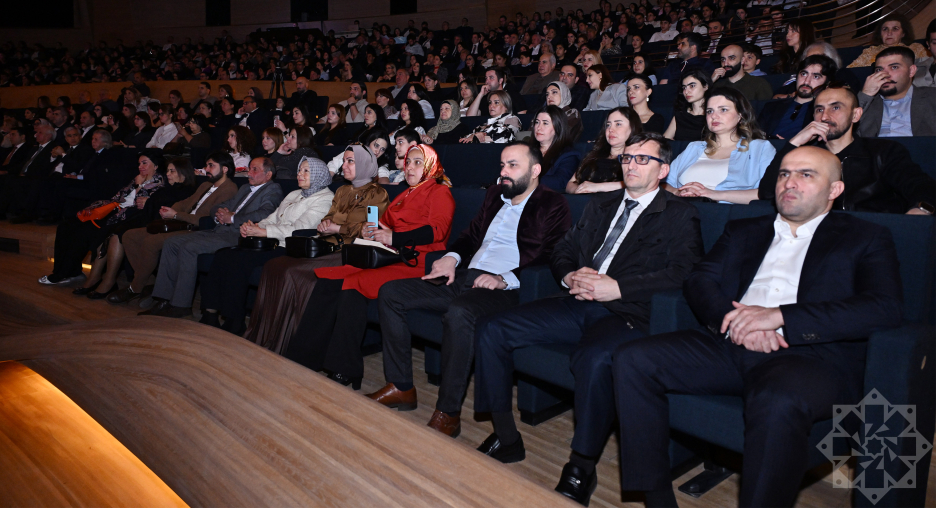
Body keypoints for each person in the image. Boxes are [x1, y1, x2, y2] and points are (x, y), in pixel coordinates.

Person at [613, 146, 902, 508]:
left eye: (806, 175)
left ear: (835, 190)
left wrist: (781, 317)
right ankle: (655, 497)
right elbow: (700, 280)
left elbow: (883, 308)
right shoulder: (744, 229)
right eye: (784, 174)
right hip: (730, 341)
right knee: (632, 358)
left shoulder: (866, 236)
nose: (789, 183)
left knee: (777, 400)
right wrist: (732, 320)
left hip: (806, 356)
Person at [473, 133, 703, 502]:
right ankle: (506, 436)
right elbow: (562, 249)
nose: (631, 165)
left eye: (643, 159)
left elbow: (684, 273)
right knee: (492, 327)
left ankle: (581, 465)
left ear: (663, 170)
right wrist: (569, 275)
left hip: (626, 312)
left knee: (594, 359)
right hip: (577, 300)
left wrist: (618, 288)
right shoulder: (601, 204)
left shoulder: (679, 213)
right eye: (627, 158)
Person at [366, 141, 572, 438]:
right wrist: (451, 258)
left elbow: (552, 256)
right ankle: (401, 387)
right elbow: (470, 235)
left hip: (507, 288)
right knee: (391, 293)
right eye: (502, 165)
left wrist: (504, 278)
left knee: (460, 312)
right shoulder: (495, 195)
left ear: (536, 170)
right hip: (466, 277)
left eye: (513, 165)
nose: (504, 172)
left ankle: (448, 413)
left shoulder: (553, 204)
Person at [285, 145, 455, 388]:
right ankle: (303, 357)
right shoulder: (405, 194)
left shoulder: (439, 192)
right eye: (408, 162)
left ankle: (344, 367)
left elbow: (436, 231)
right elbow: (382, 224)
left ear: (430, 166)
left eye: (417, 162)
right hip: (391, 255)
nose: (409, 167)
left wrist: (394, 237)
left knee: (353, 283)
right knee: (328, 277)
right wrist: (369, 230)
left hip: (418, 261)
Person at [245, 146, 389, 354]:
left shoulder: (377, 194)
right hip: (327, 244)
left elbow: (370, 230)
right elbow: (329, 217)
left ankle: (288, 343)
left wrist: (337, 228)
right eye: (344, 161)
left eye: (350, 161)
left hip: (351, 250)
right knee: (274, 265)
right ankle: (266, 335)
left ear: (365, 164)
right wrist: (326, 223)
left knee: (293, 273)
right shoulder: (342, 191)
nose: (344, 166)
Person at [199, 157, 335, 334]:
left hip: (291, 248)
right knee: (223, 254)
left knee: (239, 260)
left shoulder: (325, 199)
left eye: (306, 171)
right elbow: (272, 218)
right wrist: (254, 227)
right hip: (271, 242)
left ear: (318, 175)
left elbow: (300, 229)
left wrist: (264, 231)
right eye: (299, 170)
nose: (299, 174)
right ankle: (210, 313)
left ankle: (234, 321)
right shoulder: (294, 194)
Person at [139, 157, 283, 318]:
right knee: (171, 242)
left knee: (189, 247)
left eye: (255, 169)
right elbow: (220, 206)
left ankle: (181, 305)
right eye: (249, 169)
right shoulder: (245, 188)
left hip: (238, 235)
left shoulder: (273, 189)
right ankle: (164, 299)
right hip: (219, 230)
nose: (249, 173)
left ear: (268, 174)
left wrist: (232, 218)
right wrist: (220, 213)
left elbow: (265, 213)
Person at [759, 84, 935, 214]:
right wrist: (795, 142)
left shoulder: (883, 151)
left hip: (872, 233)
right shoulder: (806, 155)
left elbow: (921, 187)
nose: (825, 116)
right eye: (819, 110)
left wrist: (920, 210)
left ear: (856, 114)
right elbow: (767, 192)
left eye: (835, 107)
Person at [112, 152, 239, 305]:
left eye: (211, 166)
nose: (206, 169)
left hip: (197, 229)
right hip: (181, 222)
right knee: (129, 236)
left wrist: (176, 214)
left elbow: (206, 220)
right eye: (206, 165)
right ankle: (149, 283)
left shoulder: (229, 190)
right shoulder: (206, 185)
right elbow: (185, 202)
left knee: (151, 241)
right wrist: (171, 210)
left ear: (225, 169)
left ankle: (135, 288)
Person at [40, 150, 168, 286]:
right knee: (65, 226)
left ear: (156, 166)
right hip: (112, 211)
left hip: (125, 218)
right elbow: (117, 197)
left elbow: (140, 206)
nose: (140, 166)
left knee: (83, 232)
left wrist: (138, 185)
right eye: (139, 163)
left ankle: (64, 274)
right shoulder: (138, 178)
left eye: (144, 163)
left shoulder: (159, 183)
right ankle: (68, 271)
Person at [76, 157, 197, 300]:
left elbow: (164, 209)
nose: (168, 174)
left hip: (157, 223)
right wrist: (148, 201)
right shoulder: (168, 188)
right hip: (145, 218)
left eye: (172, 171)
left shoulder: (186, 191)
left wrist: (147, 201)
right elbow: (143, 203)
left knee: (118, 235)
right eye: (168, 171)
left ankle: (111, 281)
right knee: (108, 233)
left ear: (183, 173)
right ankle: (96, 278)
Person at [666, 87, 775, 204]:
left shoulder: (760, 148)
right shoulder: (694, 147)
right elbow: (663, 183)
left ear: (740, 115)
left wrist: (713, 194)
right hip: (680, 208)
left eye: (723, 110)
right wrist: (677, 192)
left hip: (725, 212)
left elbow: (769, 193)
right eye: (709, 111)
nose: (714, 116)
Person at [857, 47, 935, 137]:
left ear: (911, 71)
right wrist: (866, 94)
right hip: (875, 145)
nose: (884, 75)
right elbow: (849, 131)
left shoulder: (932, 97)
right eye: (879, 70)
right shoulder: (866, 102)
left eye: (894, 67)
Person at [566, 108, 642, 194]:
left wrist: (598, 187)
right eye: (608, 125)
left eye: (618, 124)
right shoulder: (593, 154)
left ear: (632, 128)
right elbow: (571, 183)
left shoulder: (636, 159)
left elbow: (640, 185)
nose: (611, 129)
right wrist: (579, 190)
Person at [758, 55, 835, 139]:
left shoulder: (825, 113)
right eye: (803, 74)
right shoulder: (771, 107)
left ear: (827, 84)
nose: (806, 81)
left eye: (816, 76)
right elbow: (755, 137)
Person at [847, 13, 927, 68]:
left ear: (903, 33)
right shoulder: (870, 52)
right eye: (885, 29)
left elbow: (928, 70)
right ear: (880, 33)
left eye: (895, 29)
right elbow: (850, 72)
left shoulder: (916, 48)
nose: (889, 33)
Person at [531, 106, 581, 191]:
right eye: (537, 122)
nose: (539, 127)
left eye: (545, 123)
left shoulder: (568, 155)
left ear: (558, 127)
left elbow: (560, 182)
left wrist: (526, 181)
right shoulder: (526, 150)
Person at [664, 70, 709, 141]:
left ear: (705, 86)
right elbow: (664, 141)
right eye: (684, 87)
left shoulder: (712, 115)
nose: (686, 91)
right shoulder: (680, 115)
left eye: (692, 86)